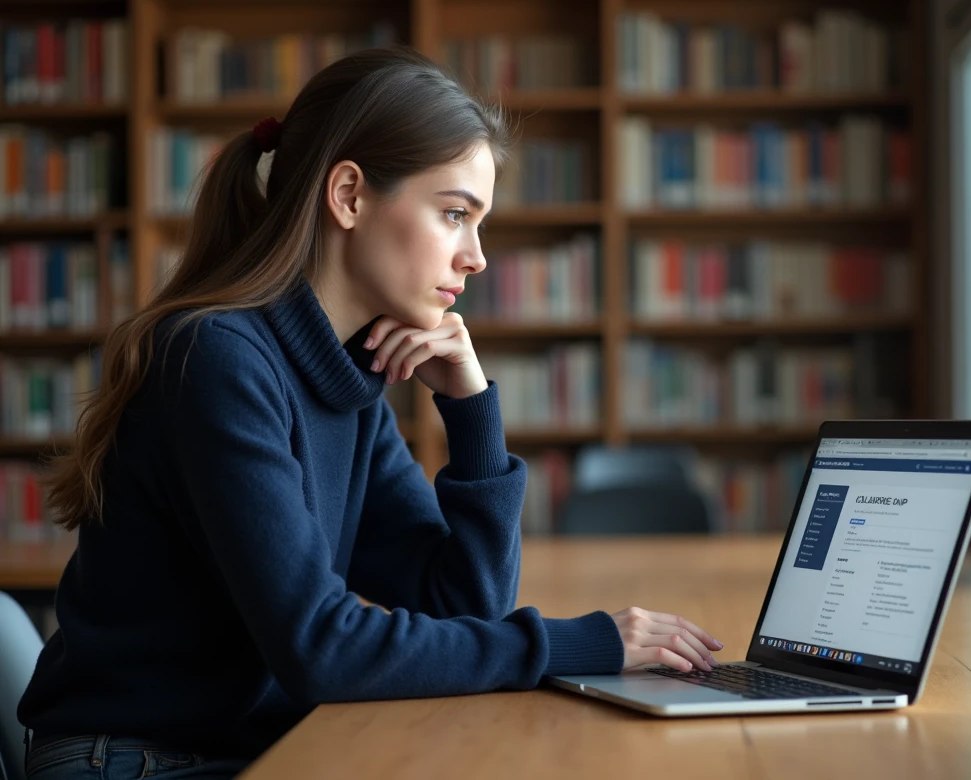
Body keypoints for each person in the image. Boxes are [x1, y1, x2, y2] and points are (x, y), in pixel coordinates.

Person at [16, 45, 723, 780]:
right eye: (455, 214)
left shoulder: (347, 378)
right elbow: (321, 647)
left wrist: (472, 410)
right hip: (133, 764)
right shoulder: (217, 359)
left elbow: (465, 607)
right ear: (349, 194)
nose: (475, 257)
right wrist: (580, 644)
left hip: (241, 750)